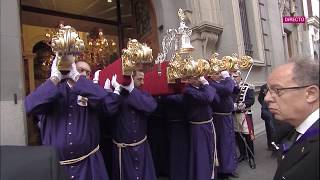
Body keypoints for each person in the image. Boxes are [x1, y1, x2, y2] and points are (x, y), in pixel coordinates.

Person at [25, 55, 120, 180]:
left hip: (89, 164)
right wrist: (55, 78)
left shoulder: (92, 93)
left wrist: (78, 78)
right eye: (80, 70)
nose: (85, 74)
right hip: (58, 167)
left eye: (88, 73)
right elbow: (29, 105)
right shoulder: (53, 90)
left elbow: (109, 104)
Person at [264, 58, 319, 180]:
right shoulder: (292, 129)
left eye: (277, 90)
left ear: (311, 94)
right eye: (268, 90)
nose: (267, 98)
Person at [111, 69, 158, 180]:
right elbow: (108, 109)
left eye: (143, 79)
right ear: (131, 79)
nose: (142, 82)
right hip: (123, 150)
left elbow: (151, 106)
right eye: (139, 79)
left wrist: (132, 90)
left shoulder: (142, 93)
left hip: (141, 147)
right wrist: (115, 91)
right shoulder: (117, 95)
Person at [183, 76, 218, 180]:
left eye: (199, 77)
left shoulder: (202, 89)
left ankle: (211, 175)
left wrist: (207, 86)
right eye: (195, 78)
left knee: (210, 150)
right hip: (198, 126)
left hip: (208, 124)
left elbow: (215, 98)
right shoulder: (188, 91)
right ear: (189, 80)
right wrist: (207, 84)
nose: (199, 79)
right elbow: (208, 98)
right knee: (201, 153)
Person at [208, 71, 238, 180]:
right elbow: (227, 89)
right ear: (210, 74)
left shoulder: (221, 82)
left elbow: (234, 90)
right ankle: (223, 170)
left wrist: (232, 79)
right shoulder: (211, 83)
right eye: (216, 73)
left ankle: (230, 168)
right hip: (219, 118)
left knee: (230, 142)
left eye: (219, 73)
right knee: (223, 144)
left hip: (227, 116)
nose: (219, 75)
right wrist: (228, 78)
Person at [232, 71, 256, 169]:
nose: (234, 78)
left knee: (248, 136)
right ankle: (243, 155)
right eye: (232, 77)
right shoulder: (232, 89)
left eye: (236, 76)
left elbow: (251, 99)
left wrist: (244, 104)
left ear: (240, 77)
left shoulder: (248, 87)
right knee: (238, 136)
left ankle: (251, 156)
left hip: (244, 114)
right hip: (235, 115)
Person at [258, 83, 276, 151]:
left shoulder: (276, 85)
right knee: (269, 130)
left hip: (275, 111)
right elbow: (259, 98)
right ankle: (270, 145)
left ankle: (276, 145)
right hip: (267, 112)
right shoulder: (263, 87)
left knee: (275, 130)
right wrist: (264, 104)